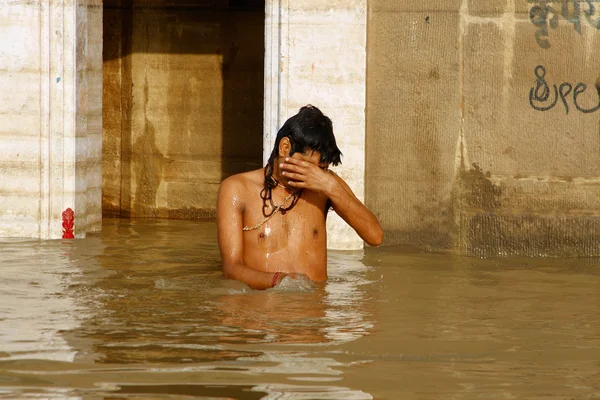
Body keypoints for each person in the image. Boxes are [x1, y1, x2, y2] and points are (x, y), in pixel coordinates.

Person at [216, 105, 383, 290]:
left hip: (312, 313)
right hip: (262, 311)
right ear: (285, 147)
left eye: (321, 169)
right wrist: (279, 281)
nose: (314, 175)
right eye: (308, 167)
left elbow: (375, 237)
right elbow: (232, 269)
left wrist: (330, 186)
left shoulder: (325, 185)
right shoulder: (236, 189)